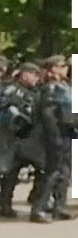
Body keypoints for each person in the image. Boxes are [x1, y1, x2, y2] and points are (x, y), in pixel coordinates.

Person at [31, 55, 74, 222]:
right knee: (51, 172)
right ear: (53, 69)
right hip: (54, 136)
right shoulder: (49, 88)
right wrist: (54, 136)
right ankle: (39, 208)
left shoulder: (63, 86)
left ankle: (60, 206)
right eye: (62, 66)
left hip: (66, 133)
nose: (65, 68)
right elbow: (47, 115)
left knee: (63, 172)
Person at [0, 62, 41, 218]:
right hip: (12, 137)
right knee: (10, 172)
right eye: (34, 74)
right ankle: (5, 203)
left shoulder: (32, 91)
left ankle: (6, 203)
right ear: (25, 74)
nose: (36, 78)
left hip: (25, 137)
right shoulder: (12, 90)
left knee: (13, 172)